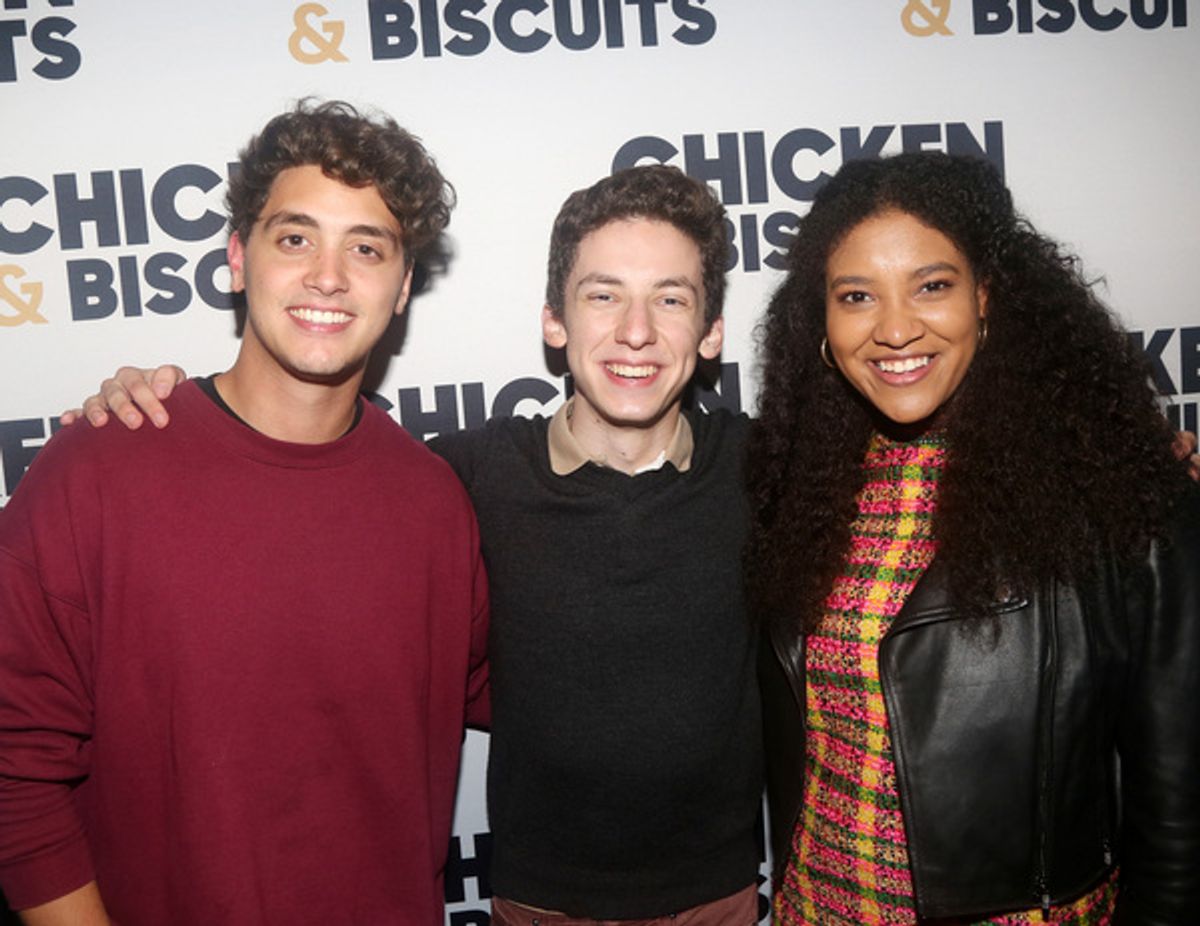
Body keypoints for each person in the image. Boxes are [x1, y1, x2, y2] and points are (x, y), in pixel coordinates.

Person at [58, 166, 764, 923]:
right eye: (603, 295)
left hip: (719, 895)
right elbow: (297, 485)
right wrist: (153, 411)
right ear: (553, 321)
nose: (636, 331)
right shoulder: (456, 480)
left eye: (670, 299)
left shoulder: (768, 472)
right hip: (541, 903)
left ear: (712, 331)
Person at [0, 100, 489, 926]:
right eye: (295, 238)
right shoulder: (98, 470)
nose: (328, 276)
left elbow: (536, 690)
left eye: (366, 248)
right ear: (237, 258)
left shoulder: (434, 501)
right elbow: (16, 771)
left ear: (403, 286)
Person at [746, 152, 1199, 924]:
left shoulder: (1114, 497)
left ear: (986, 296)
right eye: (857, 296)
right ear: (822, 319)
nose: (895, 328)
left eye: (932, 285)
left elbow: (1179, 812)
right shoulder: (795, 486)